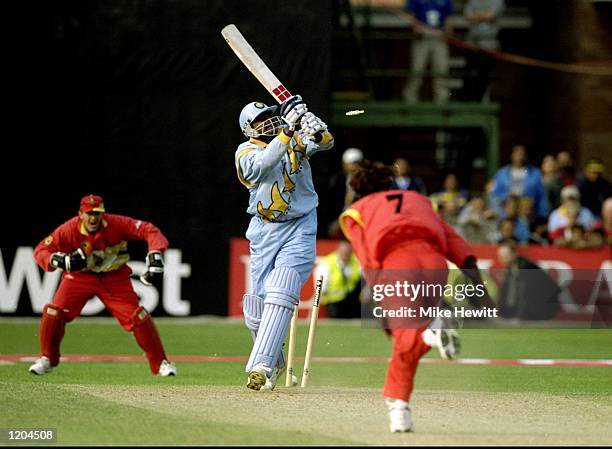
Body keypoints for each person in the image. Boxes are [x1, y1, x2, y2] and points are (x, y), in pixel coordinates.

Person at [339, 161, 493, 433]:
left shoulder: (357, 212)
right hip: (434, 264)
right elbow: (458, 246)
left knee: (409, 335)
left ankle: (433, 333)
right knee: (404, 343)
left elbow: (366, 257)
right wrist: (478, 289)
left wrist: (379, 292)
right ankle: (399, 408)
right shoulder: (420, 201)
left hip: (397, 265)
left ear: (359, 193)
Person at [234, 96, 334, 391]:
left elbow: (325, 142)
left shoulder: (294, 139)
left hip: (301, 225)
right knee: (256, 309)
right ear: (248, 129)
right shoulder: (245, 152)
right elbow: (263, 166)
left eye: (269, 114)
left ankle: (261, 367)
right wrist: (289, 130)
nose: (266, 120)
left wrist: (315, 126)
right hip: (265, 230)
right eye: (258, 120)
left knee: (283, 286)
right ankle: (276, 364)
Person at [29, 194, 177, 376]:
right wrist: (58, 260)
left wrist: (155, 252)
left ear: (103, 214)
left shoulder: (116, 224)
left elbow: (149, 230)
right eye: (89, 213)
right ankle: (47, 359)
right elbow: (41, 250)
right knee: (53, 312)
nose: (93, 218)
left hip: (114, 277)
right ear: (80, 214)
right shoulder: (69, 229)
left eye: (97, 213)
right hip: (80, 278)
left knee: (138, 316)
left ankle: (161, 363)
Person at [401, 0, 454, 103]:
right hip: (422, 36)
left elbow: (449, 17)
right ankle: (409, 99)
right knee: (417, 68)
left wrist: (448, 31)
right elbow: (410, 14)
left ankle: (442, 101)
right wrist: (415, 27)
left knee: (441, 68)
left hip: (439, 35)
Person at [496, 240, 560, 320]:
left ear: (514, 254)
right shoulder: (513, 268)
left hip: (543, 308)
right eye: (500, 256)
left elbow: (524, 293)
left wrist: (519, 317)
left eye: (505, 256)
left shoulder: (524, 267)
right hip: (536, 308)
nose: (501, 259)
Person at [460, 0, 505, 101]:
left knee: (485, 75)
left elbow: (490, 16)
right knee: (469, 75)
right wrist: (483, 16)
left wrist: (476, 16)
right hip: (472, 45)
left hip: (489, 45)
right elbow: (467, 17)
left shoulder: (497, 1)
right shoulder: (473, 1)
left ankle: (483, 99)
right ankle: (468, 100)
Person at [491, 144, 548, 219]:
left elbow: (541, 195)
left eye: (522, 154)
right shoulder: (502, 173)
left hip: (529, 212)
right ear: (512, 155)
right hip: (507, 211)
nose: (520, 156)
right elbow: (495, 194)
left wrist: (542, 215)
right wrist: (507, 196)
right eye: (517, 154)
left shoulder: (535, 173)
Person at [313, 239, 362, 318]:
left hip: (353, 300)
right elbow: (320, 288)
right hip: (334, 302)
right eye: (343, 253)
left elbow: (368, 277)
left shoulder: (356, 261)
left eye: (347, 253)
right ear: (338, 251)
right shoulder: (327, 264)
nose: (345, 255)